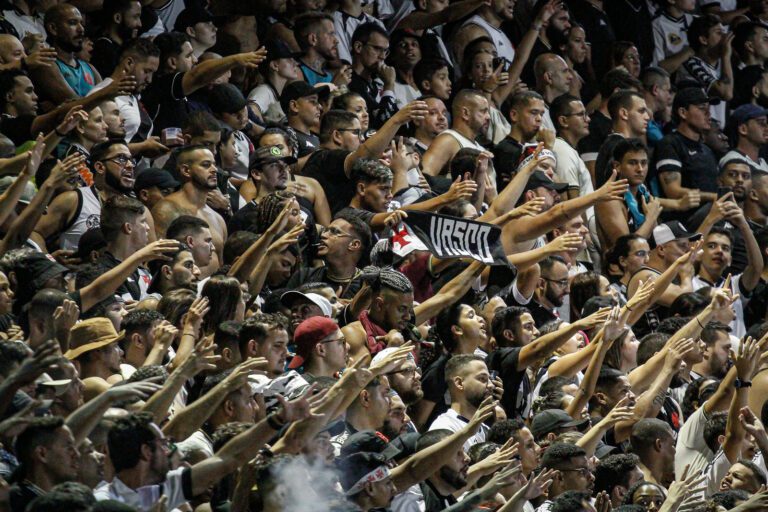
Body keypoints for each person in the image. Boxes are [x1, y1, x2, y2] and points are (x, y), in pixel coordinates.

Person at [152, 145, 227, 272]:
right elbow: (157, 259)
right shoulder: (167, 209)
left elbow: (220, 263)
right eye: (206, 165)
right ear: (186, 170)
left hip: (213, 289)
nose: (214, 169)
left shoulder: (217, 218)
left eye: (214, 164)